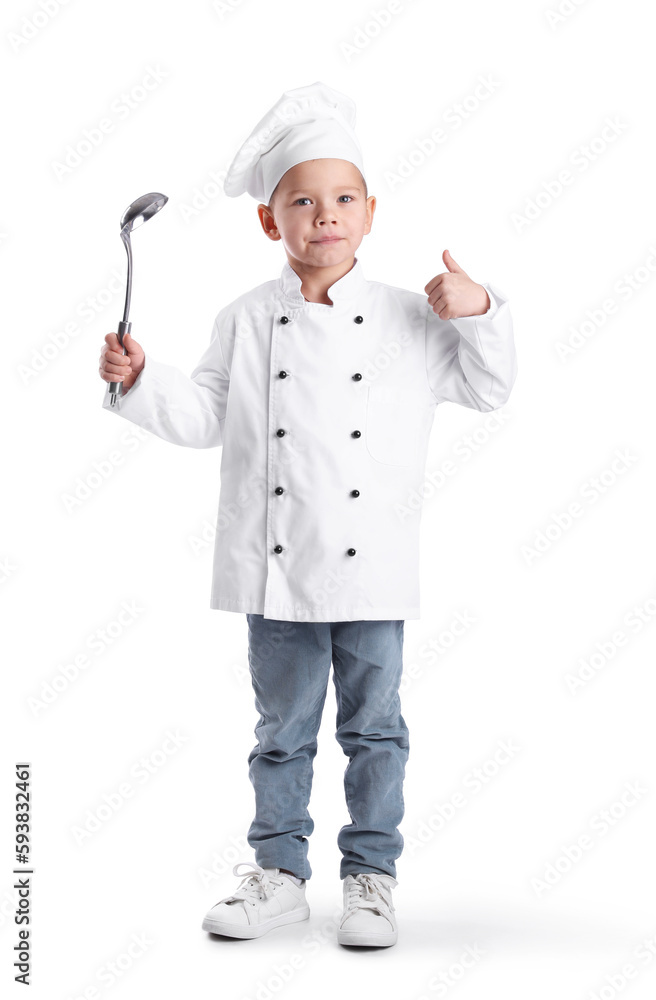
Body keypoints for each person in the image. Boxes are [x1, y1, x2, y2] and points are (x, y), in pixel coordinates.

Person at [98, 81, 518, 948]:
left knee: (375, 731)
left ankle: (370, 878)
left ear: (369, 212)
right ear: (270, 222)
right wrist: (141, 379)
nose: (324, 215)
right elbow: (206, 414)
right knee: (281, 732)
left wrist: (479, 310)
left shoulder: (414, 314)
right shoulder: (247, 320)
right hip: (276, 569)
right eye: (302, 201)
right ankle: (280, 874)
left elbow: (489, 386)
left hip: (373, 569)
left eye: (342, 199)